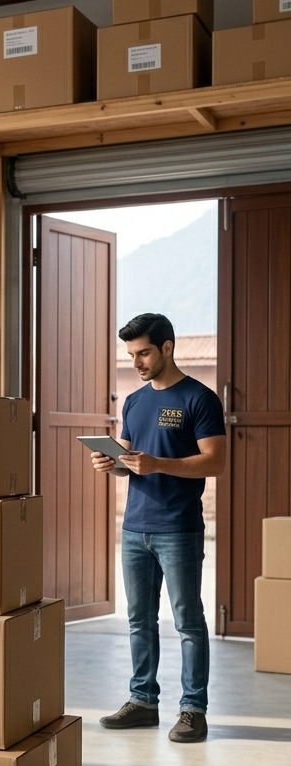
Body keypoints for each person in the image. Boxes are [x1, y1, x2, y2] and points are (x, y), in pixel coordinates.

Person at [91, 313, 227, 743]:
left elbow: (216, 462)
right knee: (139, 620)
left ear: (168, 347)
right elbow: (131, 463)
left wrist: (158, 465)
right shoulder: (134, 402)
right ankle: (143, 701)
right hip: (134, 529)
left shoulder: (199, 399)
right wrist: (111, 464)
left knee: (188, 621)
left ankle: (193, 710)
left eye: (144, 352)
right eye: (131, 355)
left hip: (179, 529)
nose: (137, 362)